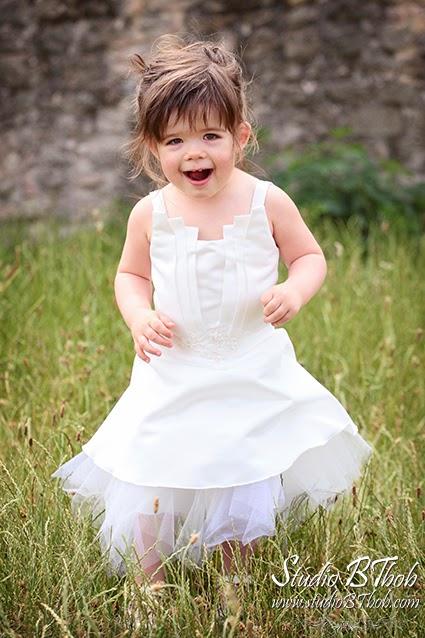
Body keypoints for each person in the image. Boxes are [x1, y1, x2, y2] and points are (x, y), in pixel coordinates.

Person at [51, 34, 372, 591]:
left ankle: (234, 583)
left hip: (248, 362)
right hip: (173, 366)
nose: (193, 152)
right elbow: (131, 276)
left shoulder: (265, 201)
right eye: (174, 140)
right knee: (152, 467)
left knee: (239, 472)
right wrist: (138, 316)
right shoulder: (150, 214)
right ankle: (151, 586)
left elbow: (309, 257)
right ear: (153, 148)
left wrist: (294, 291)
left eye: (210, 135)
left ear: (240, 136)